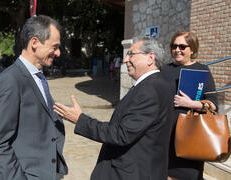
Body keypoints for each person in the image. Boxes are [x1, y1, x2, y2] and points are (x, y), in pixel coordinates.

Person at [54, 37, 173, 180]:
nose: (125, 60)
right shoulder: (157, 84)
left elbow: (121, 134)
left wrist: (80, 120)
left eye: (131, 54)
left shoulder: (150, 89)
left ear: (150, 58)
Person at [0, 15, 68, 180]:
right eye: (55, 47)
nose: (58, 53)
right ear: (35, 43)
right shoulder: (10, 81)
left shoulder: (38, 76)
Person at [161, 31, 218, 180]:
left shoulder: (202, 70)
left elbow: (213, 105)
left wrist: (191, 104)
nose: (177, 50)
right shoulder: (165, 70)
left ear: (192, 49)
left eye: (182, 46)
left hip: (191, 135)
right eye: (174, 46)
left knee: (189, 175)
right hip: (166, 133)